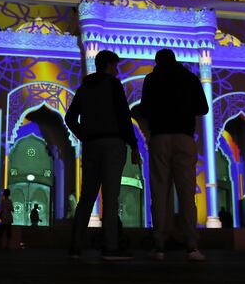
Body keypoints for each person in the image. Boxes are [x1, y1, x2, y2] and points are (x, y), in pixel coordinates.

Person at [65, 50, 139, 261]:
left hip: (91, 145)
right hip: (112, 143)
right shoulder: (113, 84)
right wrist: (133, 145)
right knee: (111, 197)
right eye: (114, 66)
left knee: (86, 197)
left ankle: (75, 246)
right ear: (108, 65)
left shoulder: (84, 87)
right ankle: (110, 246)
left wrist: (84, 135)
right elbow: (124, 116)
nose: (116, 70)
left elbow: (70, 118)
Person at [140, 49, 208, 262]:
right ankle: (191, 245)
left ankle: (159, 245)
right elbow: (203, 108)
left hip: (160, 137)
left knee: (160, 192)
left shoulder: (152, 79)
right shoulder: (189, 78)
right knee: (187, 193)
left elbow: (145, 109)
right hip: (185, 138)